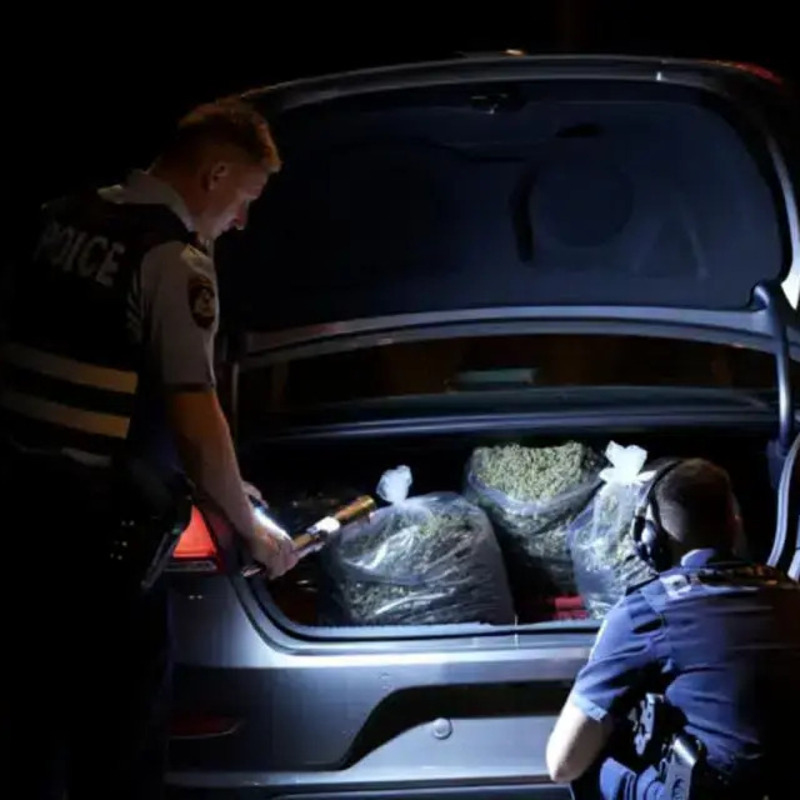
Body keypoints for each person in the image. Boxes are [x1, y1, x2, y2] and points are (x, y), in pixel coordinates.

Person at [1, 99, 301, 798]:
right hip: (95, 538)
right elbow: (195, 421)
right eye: (246, 198)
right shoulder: (173, 259)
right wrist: (253, 528)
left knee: (32, 725)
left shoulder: (63, 215)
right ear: (215, 175)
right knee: (121, 735)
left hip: (19, 512)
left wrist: (223, 484)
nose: (242, 221)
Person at [545, 458, 800, 799]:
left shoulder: (646, 611)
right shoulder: (789, 592)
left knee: (592, 762)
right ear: (736, 526)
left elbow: (562, 764)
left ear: (650, 540)